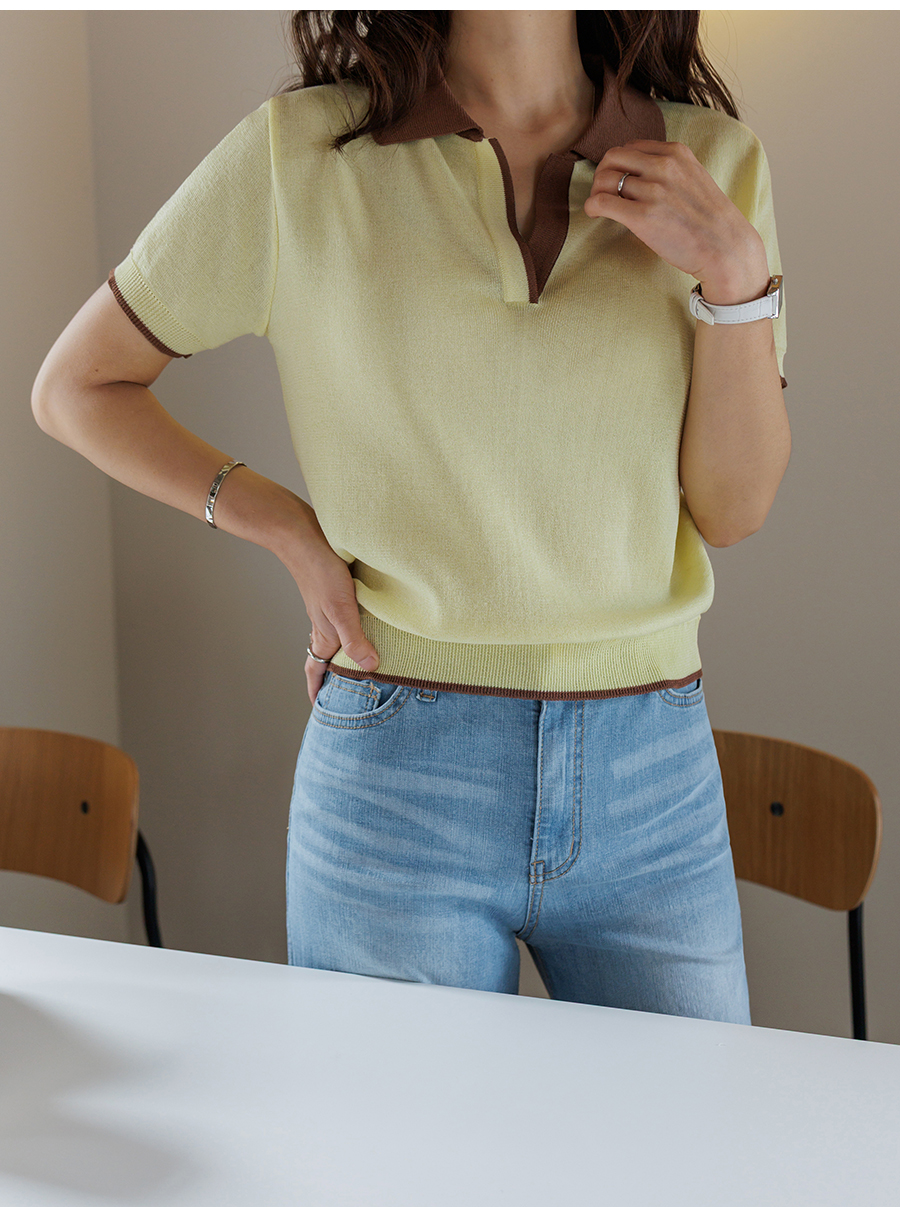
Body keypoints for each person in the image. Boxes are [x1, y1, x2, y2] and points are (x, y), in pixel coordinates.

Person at [32, 11, 788, 1023]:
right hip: (396, 770)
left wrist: (736, 278)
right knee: (391, 1128)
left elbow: (733, 510)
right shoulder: (299, 156)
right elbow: (77, 387)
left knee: (694, 1129)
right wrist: (287, 529)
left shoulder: (716, 165)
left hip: (653, 774)